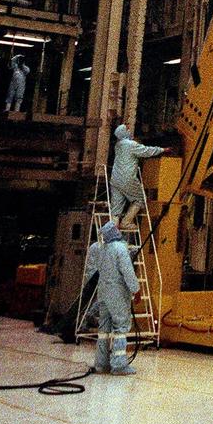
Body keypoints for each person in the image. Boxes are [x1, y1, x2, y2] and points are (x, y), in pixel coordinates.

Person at [94, 221, 139, 375]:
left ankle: (101, 364)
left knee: (103, 330)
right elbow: (127, 271)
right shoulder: (120, 248)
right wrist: (136, 289)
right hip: (117, 294)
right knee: (120, 327)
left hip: (103, 293)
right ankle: (119, 365)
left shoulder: (101, 249)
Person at [109, 123, 167, 229]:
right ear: (124, 132)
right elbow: (146, 151)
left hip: (115, 179)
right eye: (128, 129)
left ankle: (113, 229)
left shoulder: (118, 145)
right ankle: (126, 222)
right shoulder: (130, 144)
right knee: (140, 199)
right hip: (127, 178)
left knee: (116, 207)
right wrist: (162, 150)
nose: (130, 131)